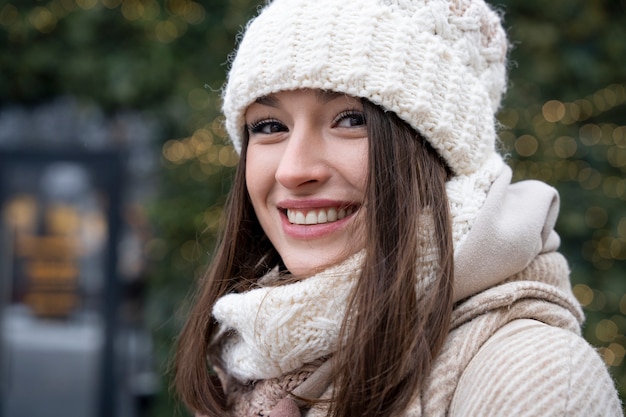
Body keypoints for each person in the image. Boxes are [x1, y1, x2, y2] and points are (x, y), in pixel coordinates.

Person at [174, 0, 623, 416]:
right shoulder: (252, 364)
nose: (294, 170)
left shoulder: (532, 377)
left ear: (437, 154)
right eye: (270, 126)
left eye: (351, 120)